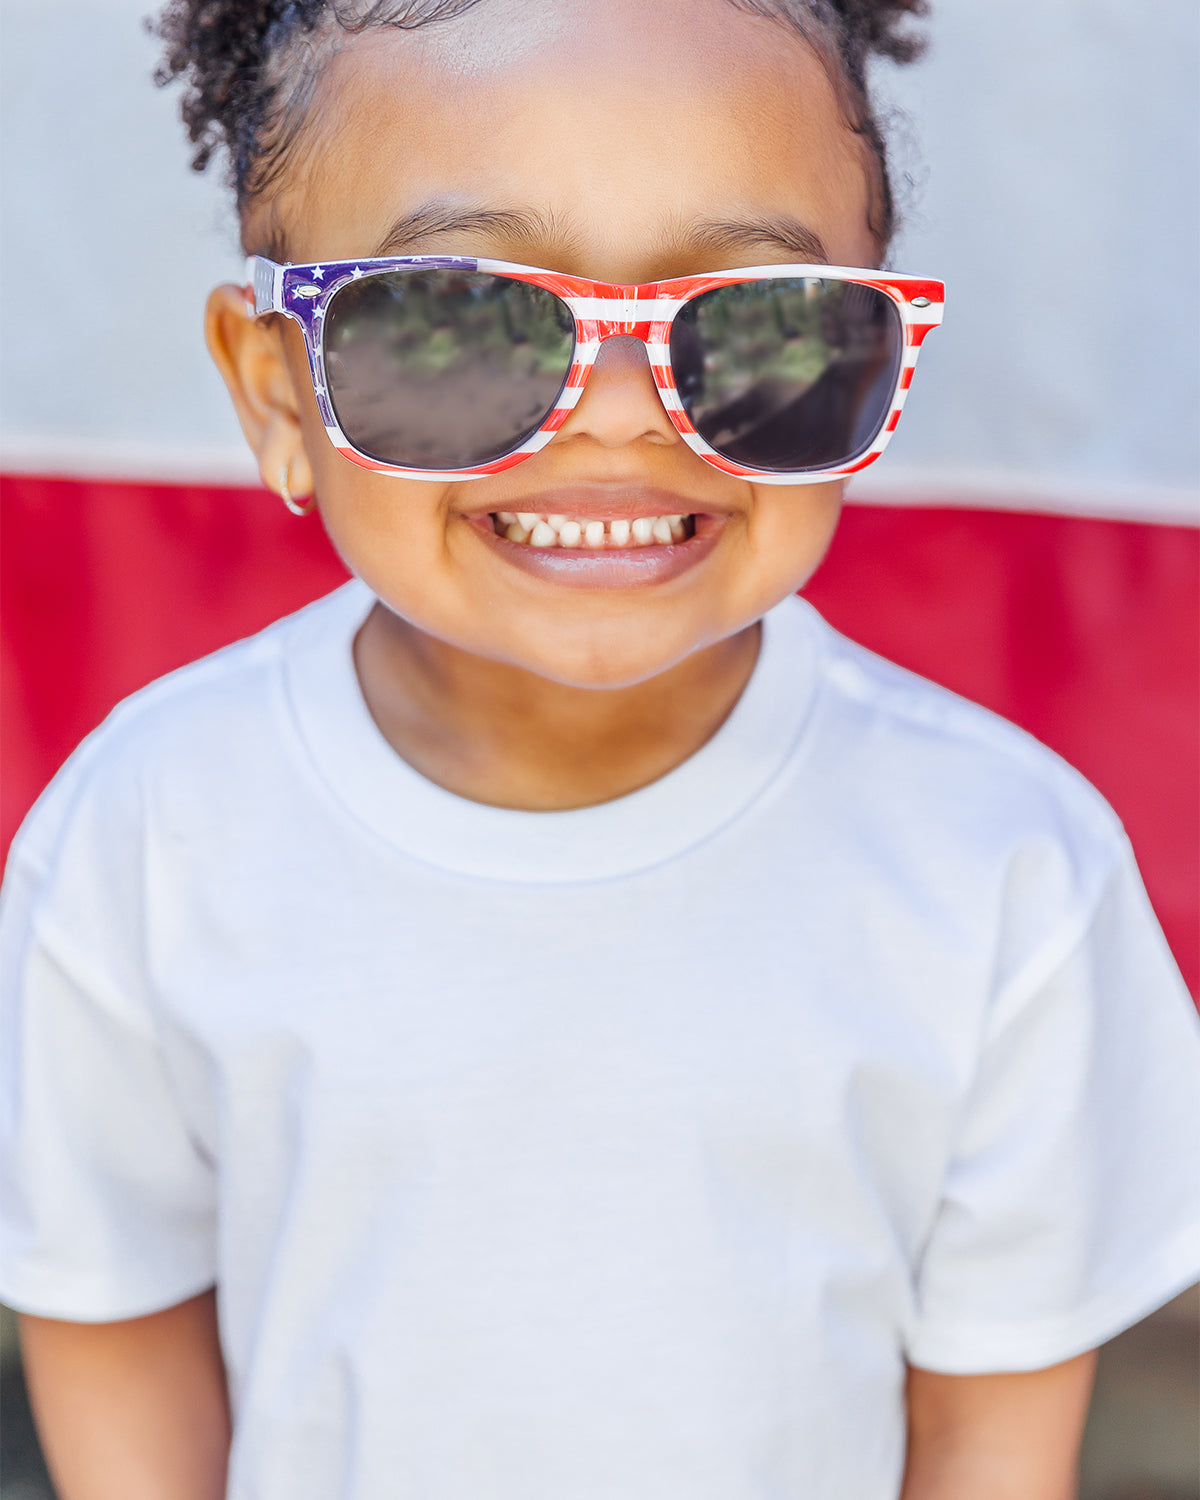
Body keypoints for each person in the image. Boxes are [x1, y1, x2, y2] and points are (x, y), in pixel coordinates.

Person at [2, 2, 1197, 1496]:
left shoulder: (1008, 866)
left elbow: (990, 1430)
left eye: (755, 321)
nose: (627, 423)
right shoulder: (145, 832)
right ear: (276, 392)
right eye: (461, 321)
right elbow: (113, 1320)